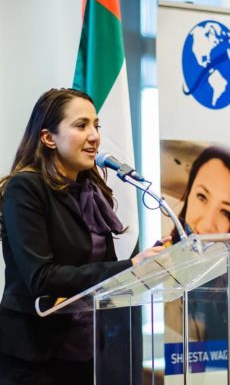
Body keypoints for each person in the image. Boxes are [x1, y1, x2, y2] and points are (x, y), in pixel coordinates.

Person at [0, 88, 168, 385]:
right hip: (34, 358)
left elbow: (105, 276)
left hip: (87, 351)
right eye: (81, 125)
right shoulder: (25, 189)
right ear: (48, 138)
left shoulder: (91, 192)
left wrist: (154, 261)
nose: (94, 136)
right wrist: (130, 266)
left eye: (96, 125)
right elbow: (42, 278)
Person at [167, 145, 230, 341]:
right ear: (188, 195)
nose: (206, 224)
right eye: (202, 197)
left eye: (225, 212)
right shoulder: (159, 268)